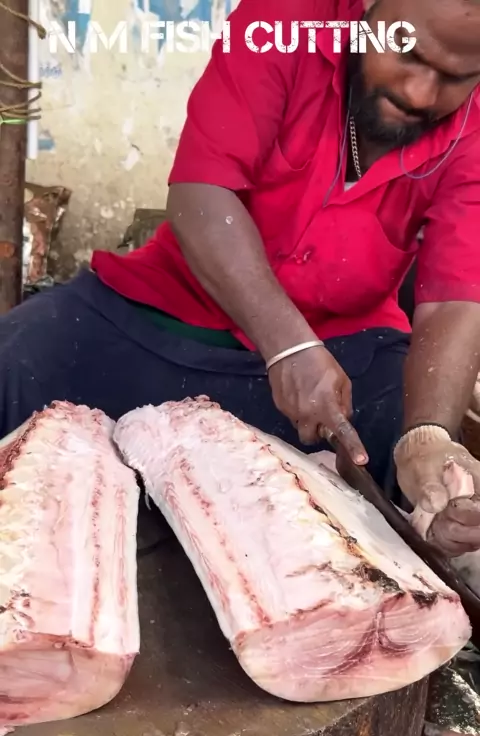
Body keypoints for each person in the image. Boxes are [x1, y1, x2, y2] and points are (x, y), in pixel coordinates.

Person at [2, 0, 480, 557]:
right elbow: (202, 193)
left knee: (415, 468)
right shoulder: (280, 20)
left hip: (346, 357)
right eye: (406, 52)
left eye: (456, 76)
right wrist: (287, 344)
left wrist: (429, 437)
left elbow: (454, 294)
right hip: (167, 314)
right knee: (17, 359)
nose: (419, 93)